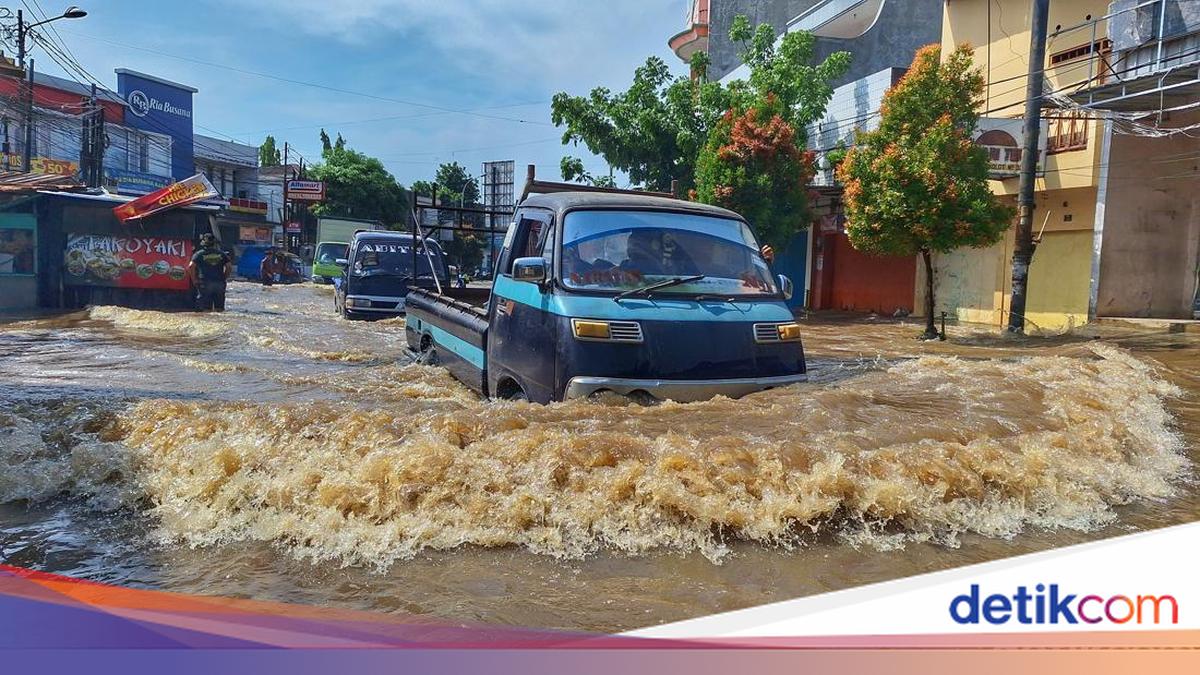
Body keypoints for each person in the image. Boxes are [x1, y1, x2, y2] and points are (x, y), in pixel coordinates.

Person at [188, 233, 231, 311]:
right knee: (219, 309)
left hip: (205, 283)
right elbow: (229, 266)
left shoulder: (199, 254)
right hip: (219, 283)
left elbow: (191, 266)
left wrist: (194, 280)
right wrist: (224, 277)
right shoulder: (221, 254)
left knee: (206, 310)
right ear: (214, 243)